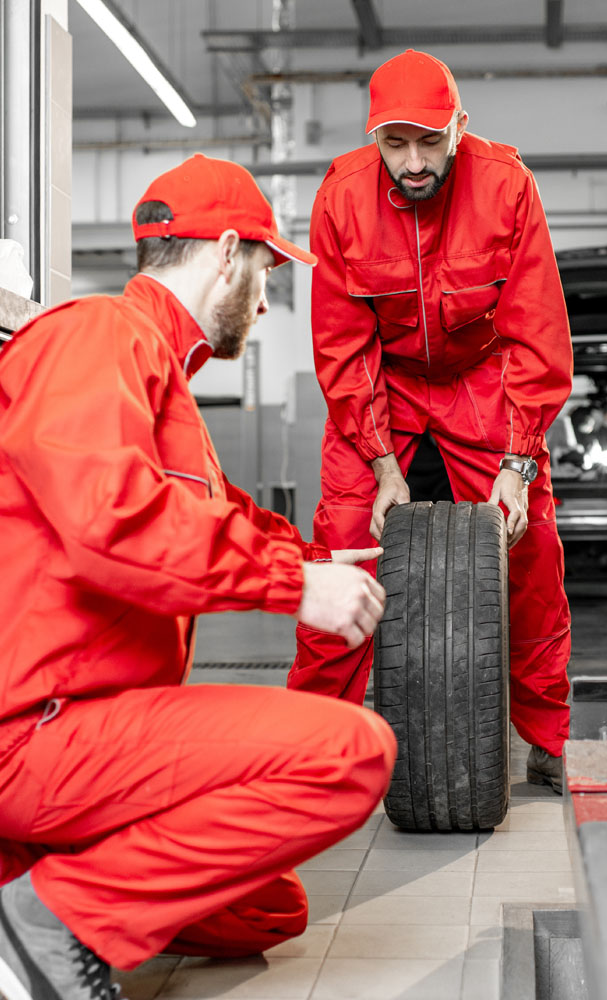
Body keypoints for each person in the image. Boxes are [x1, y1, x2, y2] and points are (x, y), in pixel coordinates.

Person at [0, 153, 396, 1000]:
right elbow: (109, 518)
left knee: (264, 912)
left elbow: (218, 516)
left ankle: (30, 880)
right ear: (225, 251)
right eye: (262, 272)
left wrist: (312, 561)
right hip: (36, 729)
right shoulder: (96, 335)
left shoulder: (167, 391)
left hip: (91, 730)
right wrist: (295, 591)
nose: (264, 300)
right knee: (350, 754)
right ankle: (54, 919)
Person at [287, 50, 574, 794]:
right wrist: (382, 462)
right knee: (344, 546)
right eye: (394, 143)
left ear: (459, 128)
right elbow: (341, 344)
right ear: (372, 136)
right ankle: (310, 745)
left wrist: (517, 465)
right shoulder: (343, 198)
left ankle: (547, 736)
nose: (412, 163)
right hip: (381, 380)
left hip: (481, 379)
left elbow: (537, 334)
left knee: (531, 548)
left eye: (429, 142)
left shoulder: (507, 186)